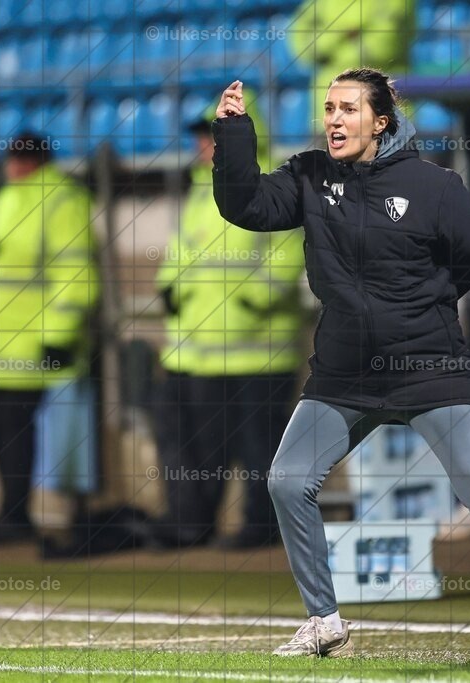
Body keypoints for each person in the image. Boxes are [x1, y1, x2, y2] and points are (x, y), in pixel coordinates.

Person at [212, 67, 470, 657]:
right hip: (344, 372)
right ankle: (324, 622)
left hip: (428, 364)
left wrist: (427, 303)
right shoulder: (309, 174)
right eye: (329, 109)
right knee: (287, 480)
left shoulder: (436, 187)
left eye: (348, 109)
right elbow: (245, 204)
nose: (334, 120)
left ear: (381, 121)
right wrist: (233, 135)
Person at [151, 104, 306, 549]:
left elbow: (290, 249)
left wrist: (256, 299)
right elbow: (181, 253)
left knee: (261, 447)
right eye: (202, 137)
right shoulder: (202, 190)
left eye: (211, 137)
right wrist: (169, 287)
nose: (201, 145)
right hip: (209, 352)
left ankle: (263, 527)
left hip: (260, 349)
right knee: (214, 448)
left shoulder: (276, 182)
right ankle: (210, 524)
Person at [0, 133, 99, 544]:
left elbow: (75, 271)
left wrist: (58, 334)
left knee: (18, 427)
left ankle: (27, 517)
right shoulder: (8, 197)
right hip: (0, 342)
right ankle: (14, 512)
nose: (11, 164)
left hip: (34, 344)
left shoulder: (62, 200)